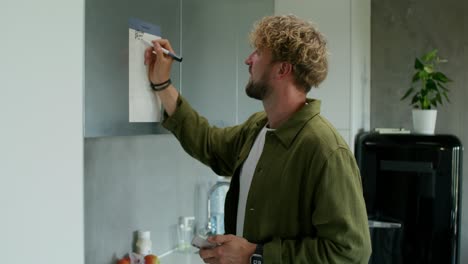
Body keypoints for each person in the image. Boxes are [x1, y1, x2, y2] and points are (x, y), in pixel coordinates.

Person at [145, 15, 371, 264]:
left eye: (259, 53)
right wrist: (162, 84)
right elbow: (209, 143)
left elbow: (350, 252)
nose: (248, 60)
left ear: (282, 69)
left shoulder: (325, 150)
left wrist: (255, 255)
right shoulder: (257, 127)